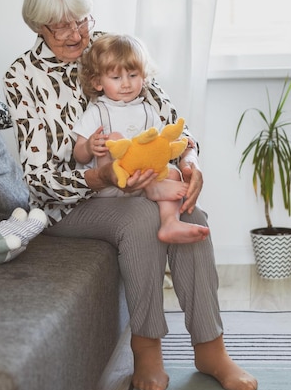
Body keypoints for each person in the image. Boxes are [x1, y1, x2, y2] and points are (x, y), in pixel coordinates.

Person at [3, 0, 258, 390]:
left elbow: (171, 120)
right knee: (142, 217)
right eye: (61, 25)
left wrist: (191, 160)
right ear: (37, 26)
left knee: (190, 210)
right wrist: (103, 175)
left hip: (138, 183)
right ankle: (147, 350)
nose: (77, 32)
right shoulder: (23, 76)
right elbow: (39, 177)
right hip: (70, 202)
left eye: (82, 19)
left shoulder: (110, 48)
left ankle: (211, 347)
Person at [73, 32, 210, 244]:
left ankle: (169, 223)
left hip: (145, 177)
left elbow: (160, 143)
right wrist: (89, 146)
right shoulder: (97, 111)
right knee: (116, 138)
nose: (126, 84)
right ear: (98, 82)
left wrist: (181, 145)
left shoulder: (147, 110)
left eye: (133, 75)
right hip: (112, 185)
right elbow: (79, 154)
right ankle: (152, 189)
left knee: (173, 174)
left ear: (144, 77)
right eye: (116, 78)